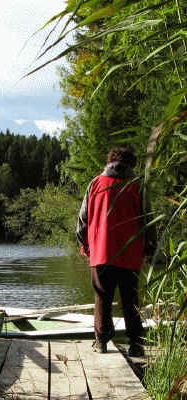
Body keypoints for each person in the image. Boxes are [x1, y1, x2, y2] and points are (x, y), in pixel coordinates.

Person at [76, 147, 156, 356]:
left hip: (101, 252)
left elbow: (82, 220)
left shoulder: (96, 183)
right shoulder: (137, 186)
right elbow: (149, 220)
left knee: (102, 298)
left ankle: (102, 342)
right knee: (131, 301)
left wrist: (85, 245)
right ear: (131, 164)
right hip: (131, 254)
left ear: (110, 161)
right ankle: (136, 344)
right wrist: (150, 248)